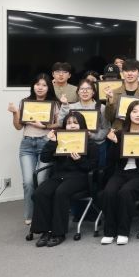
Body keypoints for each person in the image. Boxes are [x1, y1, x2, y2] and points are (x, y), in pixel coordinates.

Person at [30, 112, 98, 247]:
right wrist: (51, 142)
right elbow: (44, 158)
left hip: (79, 177)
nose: (72, 126)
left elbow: (92, 166)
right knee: (40, 193)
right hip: (59, 176)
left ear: (82, 125)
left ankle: (58, 233)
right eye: (69, 123)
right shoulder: (59, 140)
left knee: (61, 192)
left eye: (75, 123)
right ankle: (45, 231)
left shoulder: (90, 143)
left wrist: (79, 160)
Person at [100, 101, 139, 245]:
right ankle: (109, 232)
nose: (138, 115)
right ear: (128, 114)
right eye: (135, 111)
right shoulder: (119, 134)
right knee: (109, 191)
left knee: (126, 192)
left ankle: (123, 232)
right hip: (121, 173)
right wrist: (114, 143)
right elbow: (112, 160)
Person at [9, 73, 61, 224]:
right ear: (33, 86)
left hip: (46, 143)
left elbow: (59, 124)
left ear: (49, 88)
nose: (40, 87)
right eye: (38, 84)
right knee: (28, 182)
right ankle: (30, 215)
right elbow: (18, 126)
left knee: (41, 179)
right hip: (27, 144)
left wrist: (44, 126)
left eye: (44, 85)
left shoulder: (54, 103)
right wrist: (15, 112)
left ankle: (42, 214)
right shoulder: (25, 102)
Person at [58, 79, 109, 166]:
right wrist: (64, 106)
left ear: (93, 92)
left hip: (97, 145)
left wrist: (91, 135)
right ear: (78, 92)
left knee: (98, 171)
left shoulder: (101, 108)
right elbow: (60, 123)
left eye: (88, 88)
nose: (85, 91)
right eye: (82, 89)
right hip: (75, 144)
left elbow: (106, 129)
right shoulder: (71, 107)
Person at [104, 59, 139, 130]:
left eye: (133, 71)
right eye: (126, 71)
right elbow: (109, 117)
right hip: (119, 131)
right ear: (122, 72)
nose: (129, 74)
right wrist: (110, 102)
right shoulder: (114, 93)